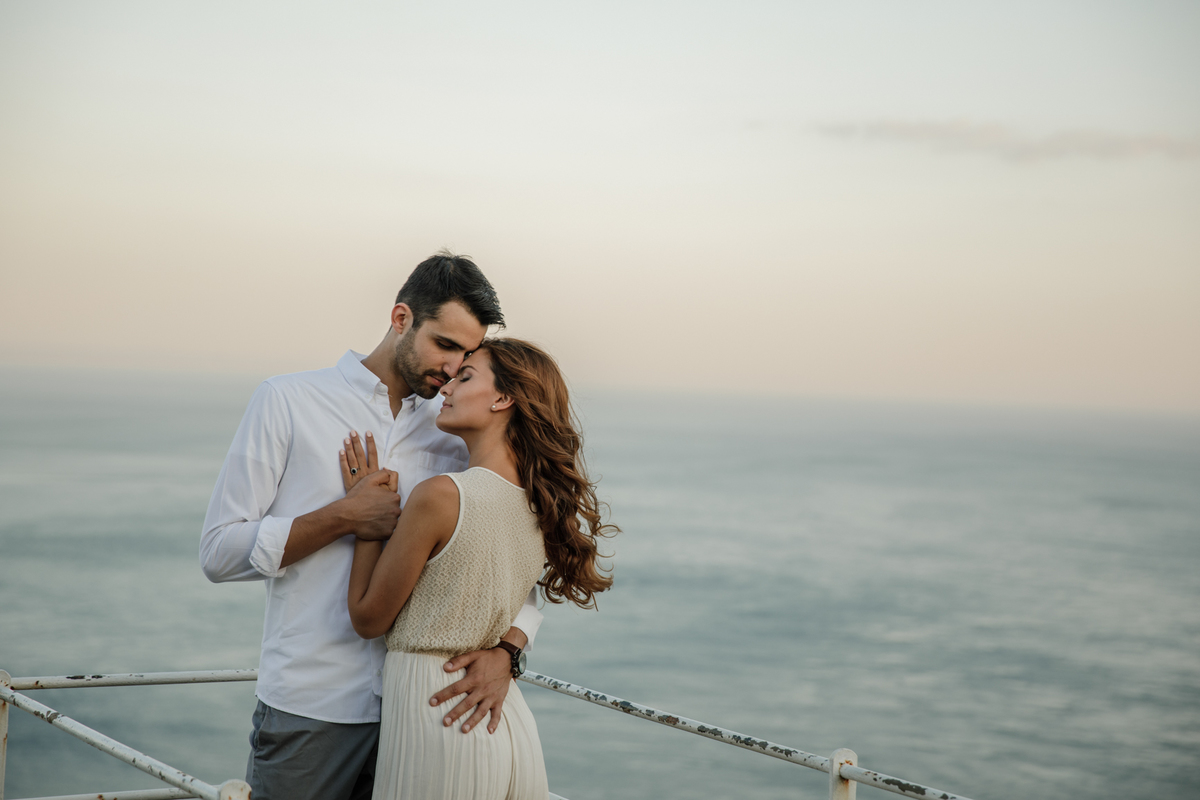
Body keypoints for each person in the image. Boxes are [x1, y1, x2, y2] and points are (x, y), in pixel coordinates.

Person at [200, 253, 544, 800]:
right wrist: (344, 516)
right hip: (312, 710)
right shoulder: (288, 401)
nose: (453, 368)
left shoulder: (455, 427)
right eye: (445, 345)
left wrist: (508, 653)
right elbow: (219, 551)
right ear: (401, 318)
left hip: (427, 716)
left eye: (466, 354)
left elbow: (514, 569)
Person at [340, 338, 615, 799]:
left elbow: (368, 618)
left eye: (465, 378)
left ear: (503, 398)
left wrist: (366, 518)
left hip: (441, 718)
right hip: (504, 725)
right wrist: (508, 652)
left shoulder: (441, 496)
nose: (446, 386)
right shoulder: (539, 504)